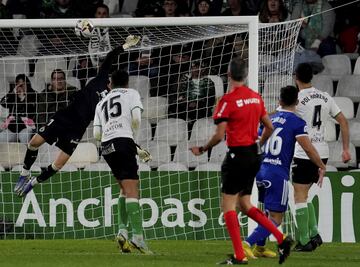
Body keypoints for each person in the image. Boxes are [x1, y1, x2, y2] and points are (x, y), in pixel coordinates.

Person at [190, 58, 293, 265]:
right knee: (245, 204)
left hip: (237, 156)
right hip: (254, 155)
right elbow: (269, 127)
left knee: (228, 205)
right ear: (245, 76)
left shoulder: (227, 101)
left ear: (228, 75)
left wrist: (203, 149)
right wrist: (258, 144)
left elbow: (220, 135)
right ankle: (282, 239)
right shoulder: (255, 98)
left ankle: (239, 255)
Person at [14, 35, 141, 197]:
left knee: (58, 165)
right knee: (33, 143)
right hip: (66, 116)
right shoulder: (101, 78)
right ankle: (24, 173)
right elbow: (110, 57)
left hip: (78, 129)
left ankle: (33, 182)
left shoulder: (113, 101)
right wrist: (124, 46)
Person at [242, 85, 326, 259]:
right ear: (296, 102)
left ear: (279, 100)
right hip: (277, 174)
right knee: (276, 219)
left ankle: (260, 247)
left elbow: (257, 140)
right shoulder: (297, 122)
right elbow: (308, 149)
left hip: (261, 170)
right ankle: (247, 244)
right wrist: (321, 165)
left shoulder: (269, 119)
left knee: (267, 211)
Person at [292, 63, 351, 251]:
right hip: (322, 152)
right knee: (305, 195)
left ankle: (304, 241)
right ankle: (314, 234)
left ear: (296, 78)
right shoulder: (325, 97)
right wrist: (345, 149)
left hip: (304, 152)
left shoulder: (296, 99)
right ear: (312, 78)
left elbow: (280, 116)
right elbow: (343, 121)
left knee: (299, 196)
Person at [93, 69, 152, 255]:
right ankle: (138, 238)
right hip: (123, 141)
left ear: (111, 83)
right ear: (127, 82)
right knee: (133, 189)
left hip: (106, 146)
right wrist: (131, 140)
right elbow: (136, 118)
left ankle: (122, 231)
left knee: (123, 189)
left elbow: (96, 134)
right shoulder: (132, 94)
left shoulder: (101, 102)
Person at [168, 60, 215, 127]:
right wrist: (182, 99)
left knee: (193, 112)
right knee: (173, 107)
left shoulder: (208, 82)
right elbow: (180, 93)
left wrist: (197, 102)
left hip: (200, 106)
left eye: (200, 67)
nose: (197, 69)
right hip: (185, 103)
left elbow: (210, 99)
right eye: (195, 67)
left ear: (204, 69)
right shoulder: (186, 79)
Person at [0, 74, 38, 143]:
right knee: (2, 137)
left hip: (26, 127)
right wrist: (12, 93)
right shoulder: (13, 95)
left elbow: (35, 111)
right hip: (12, 128)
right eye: (18, 85)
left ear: (27, 84)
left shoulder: (34, 94)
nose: (21, 87)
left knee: (25, 137)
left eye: (22, 84)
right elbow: (2, 103)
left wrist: (25, 97)